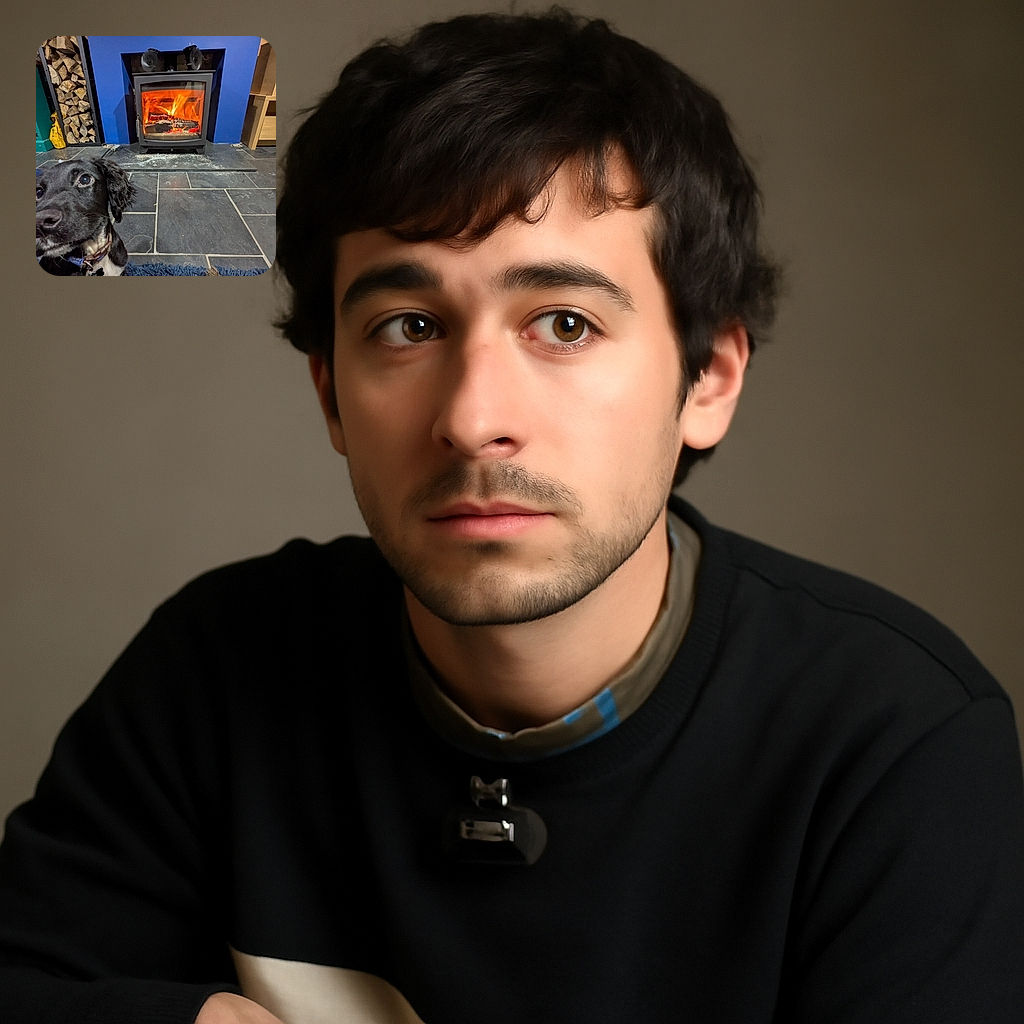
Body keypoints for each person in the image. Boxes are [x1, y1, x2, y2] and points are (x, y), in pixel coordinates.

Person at [2, 9, 1022, 1023]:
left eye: (564, 324)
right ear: (330, 396)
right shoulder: (215, 671)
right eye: (408, 326)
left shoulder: (896, 743)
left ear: (709, 376)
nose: (472, 418)